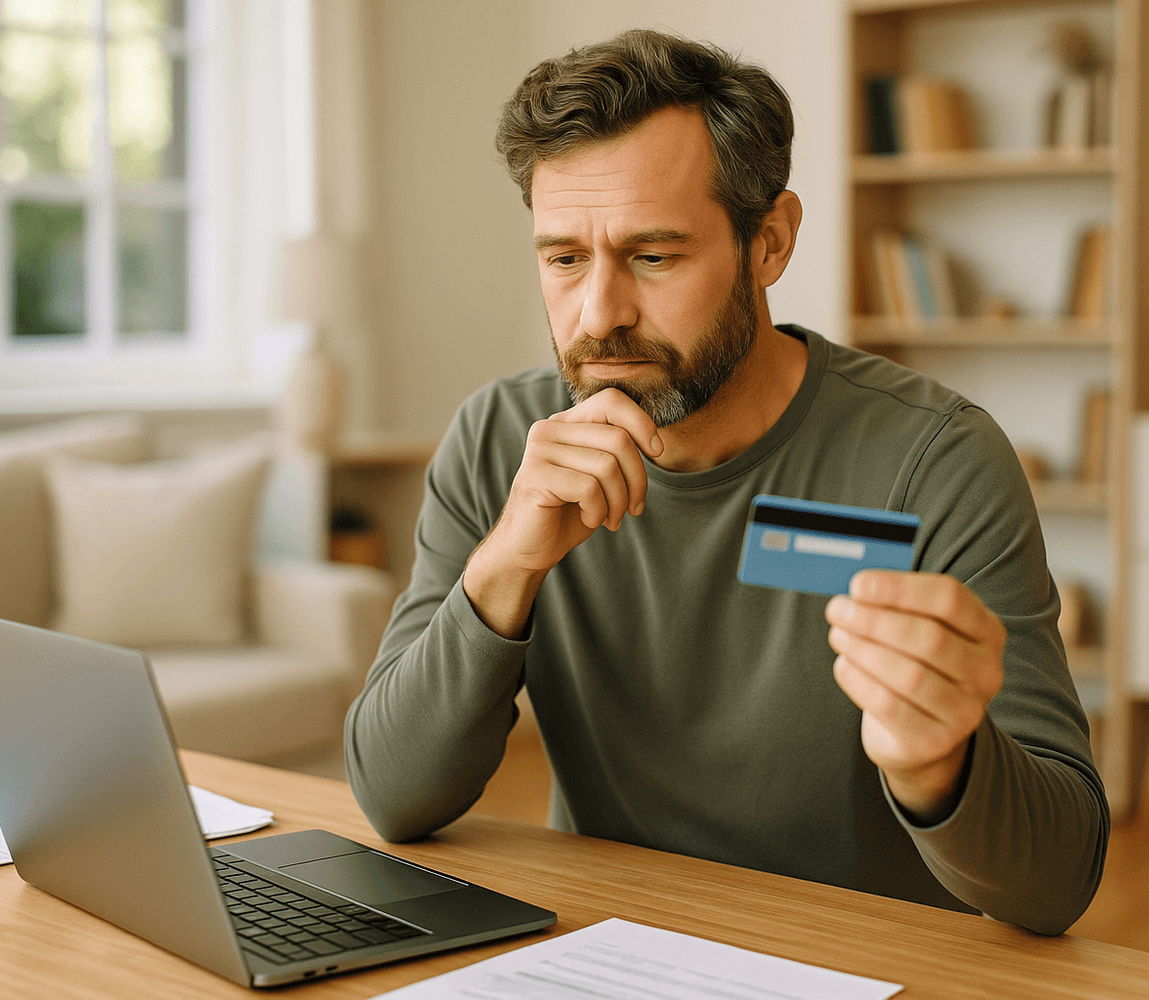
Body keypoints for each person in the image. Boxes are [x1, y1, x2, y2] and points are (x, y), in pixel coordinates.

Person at [345, 28, 1107, 936]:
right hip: (603, 953)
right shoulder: (499, 440)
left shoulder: (935, 461)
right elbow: (393, 797)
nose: (600, 316)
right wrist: (506, 565)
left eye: (655, 256)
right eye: (564, 259)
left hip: (862, 966)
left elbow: (1059, 883)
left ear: (771, 242)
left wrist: (943, 763)